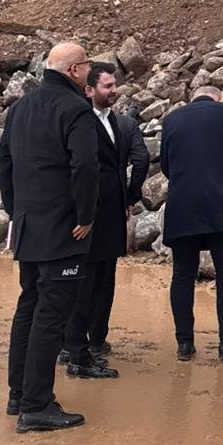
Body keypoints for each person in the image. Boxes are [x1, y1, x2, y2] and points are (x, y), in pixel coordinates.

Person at [0, 42, 99, 434]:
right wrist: (86, 214)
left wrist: (16, 211)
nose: (89, 70)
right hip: (63, 228)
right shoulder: (76, 108)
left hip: (29, 226)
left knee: (29, 306)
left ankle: (18, 394)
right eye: (87, 63)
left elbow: (4, 163)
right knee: (51, 314)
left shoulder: (20, 108)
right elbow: (85, 166)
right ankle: (37, 404)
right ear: (74, 70)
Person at [59, 62, 150, 375]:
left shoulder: (118, 121)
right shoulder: (80, 121)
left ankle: (93, 340)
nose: (114, 91)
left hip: (112, 213)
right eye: (107, 86)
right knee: (82, 282)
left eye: (114, 85)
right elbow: (79, 169)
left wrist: (129, 198)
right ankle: (73, 346)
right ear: (89, 89)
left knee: (104, 280)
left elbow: (138, 162)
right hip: (85, 216)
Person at [161, 85, 223, 362]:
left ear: (194, 97)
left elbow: (165, 164)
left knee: (182, 274)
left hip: (181, 204)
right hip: (218, 204)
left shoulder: (172, 119)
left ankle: (184, 343)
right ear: (217, 98)